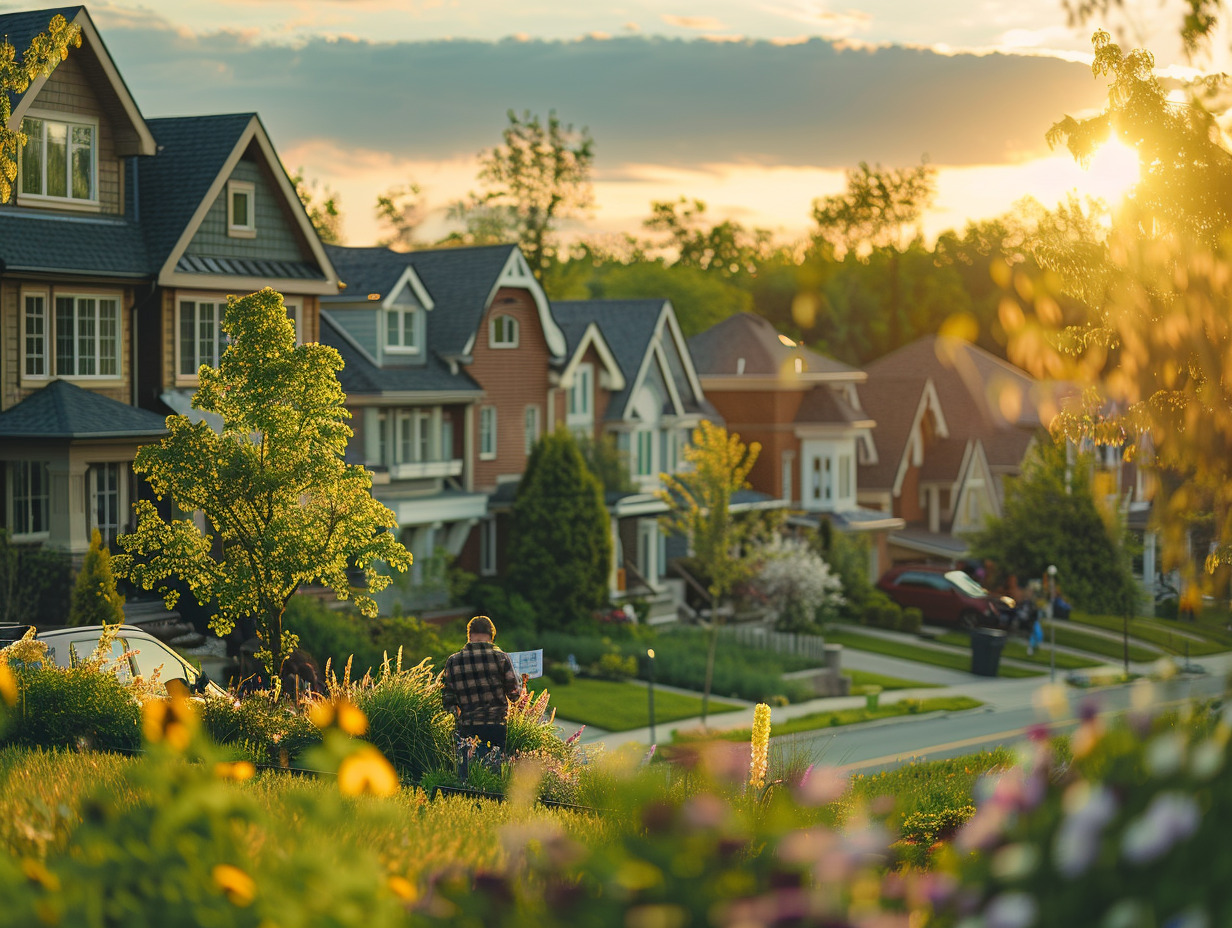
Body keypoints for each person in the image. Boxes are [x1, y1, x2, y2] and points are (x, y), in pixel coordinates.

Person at [440, 615, 523, 780]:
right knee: (492, 777)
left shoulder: (453, 661)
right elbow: (514, 695)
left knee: (467, 777)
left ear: (469, 635)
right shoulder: (501, 658)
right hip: (496, 726)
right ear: (491, 635)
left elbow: (447, 700)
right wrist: (522, 682)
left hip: (467, 726)